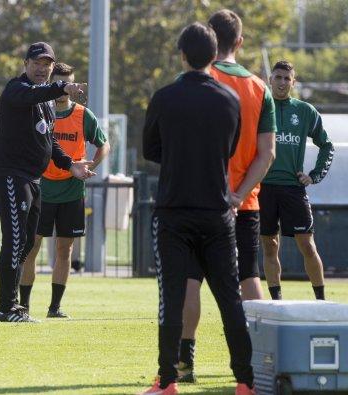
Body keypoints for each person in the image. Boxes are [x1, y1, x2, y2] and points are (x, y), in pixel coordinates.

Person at [140, 23, 254, 395]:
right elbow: (230, 147)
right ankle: (245, 381)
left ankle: (167, 380)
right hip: (218, 212)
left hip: (174, 211)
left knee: (171, 298)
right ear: (215, 53)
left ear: (182, 55)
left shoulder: (164, 97)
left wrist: (177, 156)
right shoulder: (230, 100)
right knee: (230, 299)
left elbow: (150, 150)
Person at [177, 9, 277, 383]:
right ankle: (263, 360)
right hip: (244, 202)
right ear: (240, 41)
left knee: (190, 279)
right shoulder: (259, 88)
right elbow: (267, 154)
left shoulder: (195, 79)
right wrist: (239, 194)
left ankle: (184, 362)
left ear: (208, 38)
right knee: (249, 278)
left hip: (200, 200)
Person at [0, 42, 94, 323]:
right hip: (12, 175)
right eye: (37, 63)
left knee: (26, 243)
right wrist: (62, 89)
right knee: (15, 241)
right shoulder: (16, 89)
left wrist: (70, 165)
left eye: (47, 64)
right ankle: (7, 307)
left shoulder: (47, 102)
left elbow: (50, 142)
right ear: (25, 64)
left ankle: (12, 305)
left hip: (33, 180)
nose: (42, 68)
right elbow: (32, 95)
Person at [18, 62, 110, 318]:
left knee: (65, 249)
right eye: (59, 83)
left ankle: (54, 307)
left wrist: (92, 163)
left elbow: (103, 144)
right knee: (32, 247)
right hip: (42, 190)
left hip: (72, 192)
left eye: (67, 84)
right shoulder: (39, 110)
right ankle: (23, 305)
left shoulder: (82, 115)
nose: (63, 89)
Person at [260, 60, 334, 301]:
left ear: (293, 82)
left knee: (308, 245)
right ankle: (276, 302)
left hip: (293, 189)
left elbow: (327, 145)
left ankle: (320, 301)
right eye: (278, 77)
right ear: (270, 79)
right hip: (264, 188)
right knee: (270, 245)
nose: (282, 82)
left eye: (286, 78)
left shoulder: (304, 111)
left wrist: (313, 175)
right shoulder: (259, 108)